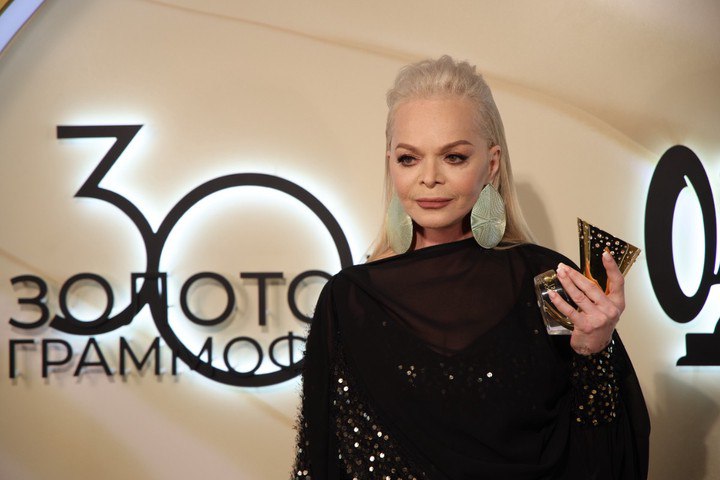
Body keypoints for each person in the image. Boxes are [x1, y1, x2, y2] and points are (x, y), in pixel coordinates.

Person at [292, 55, 649, 479]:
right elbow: (323, 463)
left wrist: (595, 353)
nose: (429, 177)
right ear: (390, 162)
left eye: (454, 157)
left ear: (491, 164)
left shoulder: (547, 282)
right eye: (409, 158)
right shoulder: (350, 300)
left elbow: (603, 458)